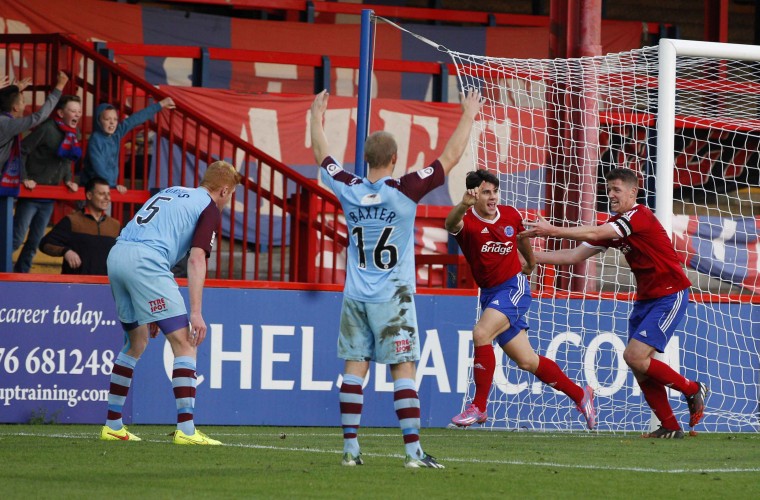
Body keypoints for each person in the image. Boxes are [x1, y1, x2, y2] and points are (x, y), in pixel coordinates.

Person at [310, 88, 482, 468]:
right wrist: (468, 114)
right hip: (393, 298)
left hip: (355, 295)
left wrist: (314, 117)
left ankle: (351, 450)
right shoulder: (405, 190)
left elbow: (323, 158)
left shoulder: (349, 189)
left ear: (366, 160)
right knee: (402, 370)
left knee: (355, 368)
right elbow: (449, 159)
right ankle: (412, 453)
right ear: (393, 159)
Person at [521, 167, 709, 439]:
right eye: (608, 190)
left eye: (616, 190)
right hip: (646, 299)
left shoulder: (638, 216)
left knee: (634, 356)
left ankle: (692, 389)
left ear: (633, 192)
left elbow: (596, 234)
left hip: (670, 293)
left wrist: (551, 229)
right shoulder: (616, 225)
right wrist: (530, 257)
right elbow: (574, 256)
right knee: (637, 364)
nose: (611, 194)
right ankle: (669, 425)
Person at [99, 160, 241, 445]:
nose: (229, 201)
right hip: (147, 262)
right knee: (186, 342)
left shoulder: (173, 191)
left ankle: (113, 424)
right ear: (224, 190)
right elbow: (197, 258)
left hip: (118, 255)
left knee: (135, 342)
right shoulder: (209, 207)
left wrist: (148, 306)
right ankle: (186, 430)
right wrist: (196, 313)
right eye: (232, 195)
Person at [447, 169, 596, 430]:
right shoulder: (467, 221)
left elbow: (520, 239)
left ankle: (479, 407)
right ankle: (580, 394)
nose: (492, 197)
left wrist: (530, 262)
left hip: (514, 288)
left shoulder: (510, 215)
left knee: (481, 333)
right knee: (527, 361)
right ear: (473, 195)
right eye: (486, 192)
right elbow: (450, 224)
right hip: (491, 295)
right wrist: (462, 205)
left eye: (495, 191)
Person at [12, 94, 82, 272]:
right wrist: (24, 177)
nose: (77, 114)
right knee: (16, 238)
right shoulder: (47, 128)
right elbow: (22, 150)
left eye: (79, 111)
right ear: (60, 112)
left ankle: (22, 276)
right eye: (72, 111)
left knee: (35, 241)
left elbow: (66, 160)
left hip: (49, 196)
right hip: (32, 193)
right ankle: (3, 271)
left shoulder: (75, 134)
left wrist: (68, 180)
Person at [81, 97, 175, 194]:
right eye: (107, 119)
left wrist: (161, 104)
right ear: (98, 121)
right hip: (90, 190)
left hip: (108, 188)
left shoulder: (116, 134)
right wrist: (112, 186)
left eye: (115, 119)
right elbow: (99, 168)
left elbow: (136, 119)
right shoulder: (95, 139)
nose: (112, 122)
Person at [0, 72, 67, 198]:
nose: (25, 105)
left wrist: (15, 89)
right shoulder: (7, 124)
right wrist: (59, 87)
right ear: (15, 108)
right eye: (23, 101)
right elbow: (39, 116)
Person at [38, 177, 120, 275]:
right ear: (89, 195)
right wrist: (65, 251)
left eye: (108, 194)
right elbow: (45, 244)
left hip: (106, 286)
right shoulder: (72, 221)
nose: (107, 198)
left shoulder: (115, 225)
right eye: (102, 194)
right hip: (75, 285)